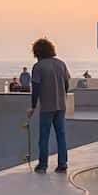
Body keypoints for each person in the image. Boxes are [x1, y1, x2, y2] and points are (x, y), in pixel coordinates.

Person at [26, 37, 70, 173]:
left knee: (44, 136)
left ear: (37, 52)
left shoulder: (38, 67)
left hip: (47, 107)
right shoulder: (61, 64)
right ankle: (63, 164)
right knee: (61, 135)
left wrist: (33, 107)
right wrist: (63, 96)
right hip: (61, 105)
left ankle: (43, 165)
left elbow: (36, 89)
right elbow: (67, 84)